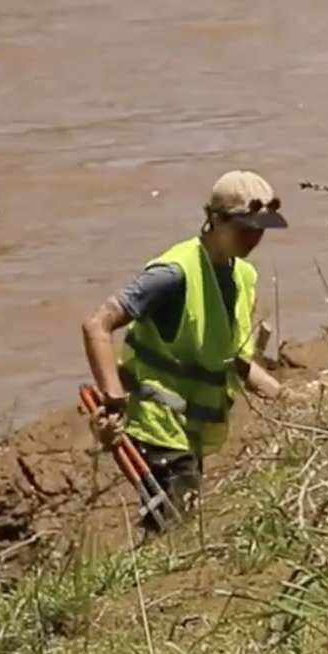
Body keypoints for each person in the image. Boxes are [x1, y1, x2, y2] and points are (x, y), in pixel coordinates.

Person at [81, 169, 288, 531]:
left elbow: (229, 359)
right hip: (156, 425)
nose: (255, 237)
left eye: (261, 228)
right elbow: (97, 324)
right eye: (245, 227)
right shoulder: (173, 274)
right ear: (215, 220)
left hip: (190, 429)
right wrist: (112, 399)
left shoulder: (243, 277)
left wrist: (284, 396)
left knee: (172, 524)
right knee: (174, 529)